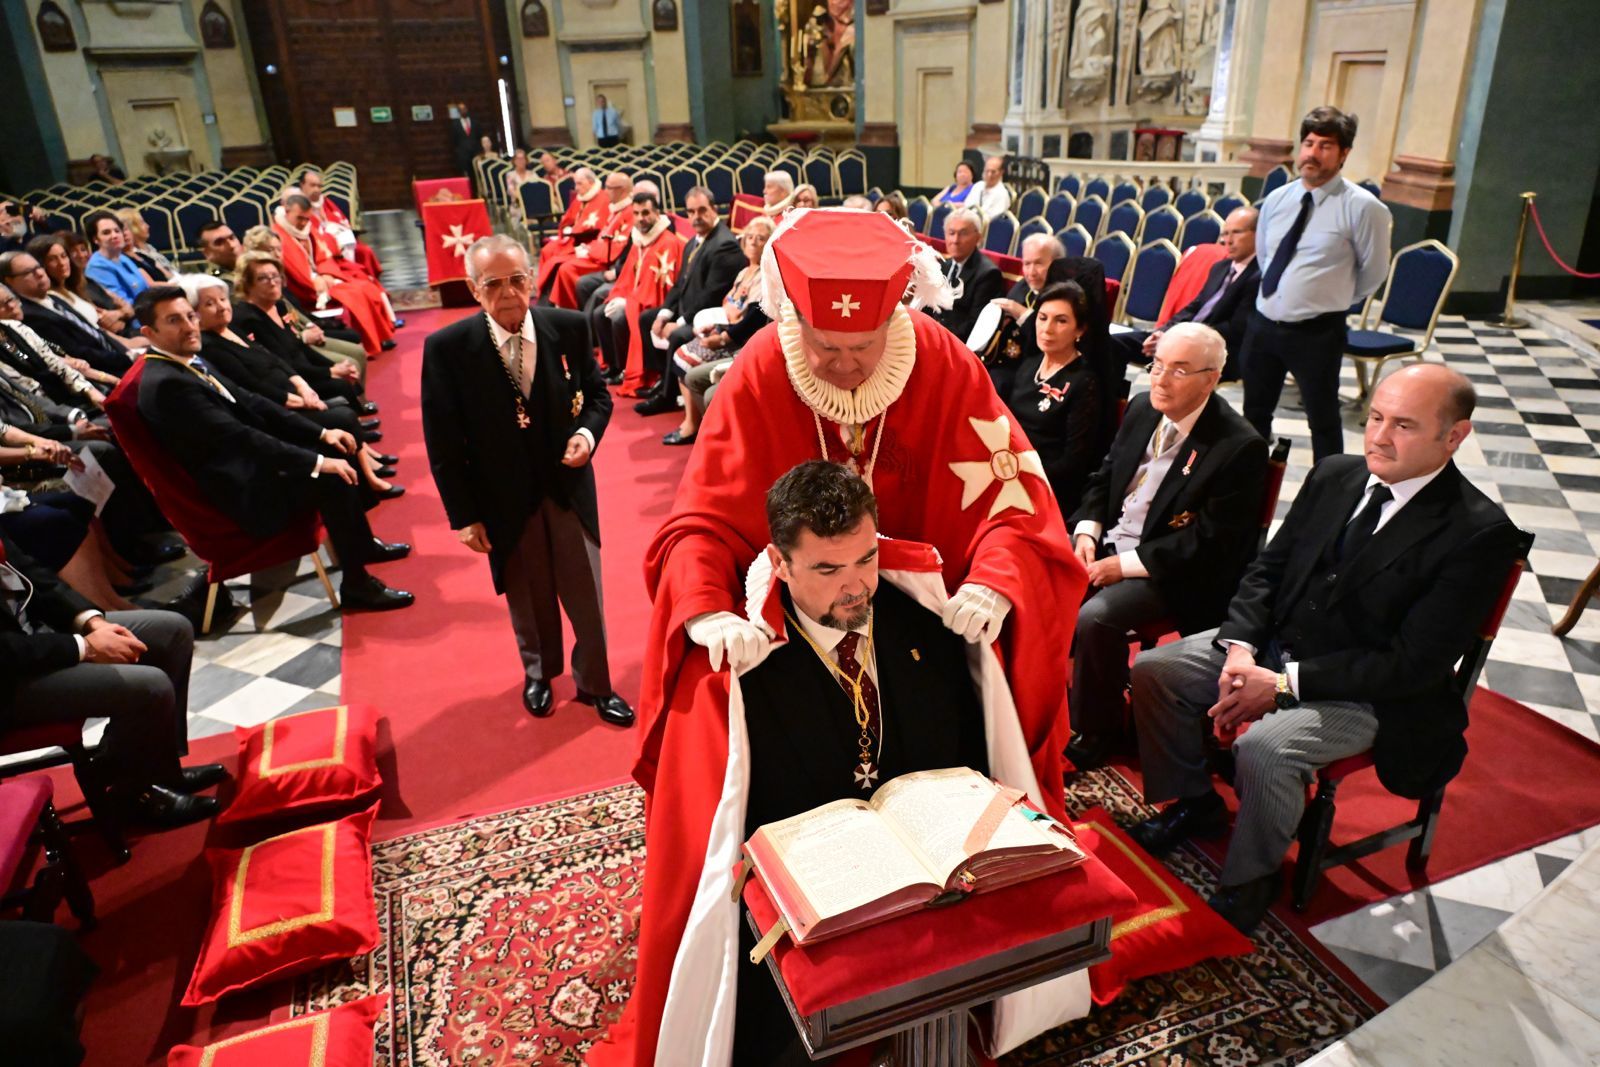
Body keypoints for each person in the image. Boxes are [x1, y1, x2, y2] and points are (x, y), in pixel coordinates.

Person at [598, 209, 1086, 1065]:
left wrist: (996, 579)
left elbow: (1014, 500)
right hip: (785, 624)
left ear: (900, 312)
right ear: (794, 315)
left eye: (863, 346)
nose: (845, 365)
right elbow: (700, 520)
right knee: (719, 748)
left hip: (920, 623)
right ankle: (739, 965)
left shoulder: (941, 362)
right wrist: (707, 607)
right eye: (826, 345)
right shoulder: (762, 369)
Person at [1127, 363, 1520, 935]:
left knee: (1265, 748)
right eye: (1376, 417)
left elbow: (1412, 664)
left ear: (1454, 436)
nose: (1379, 437)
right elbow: (1268, 570)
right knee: (1157, 670)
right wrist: (1240, 650)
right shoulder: (1336, 474)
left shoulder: (1478, 532)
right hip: (1274, 649)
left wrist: (1282, 685)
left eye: (1404, 425)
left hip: (1369, 693)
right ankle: (1195, 801)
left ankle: (1252, 878)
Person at [732, 463, 990, 1064]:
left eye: (866, 560)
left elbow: (965, 755)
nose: (855, 587)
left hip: (926, 869)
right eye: (828, 570)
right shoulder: (751, 667)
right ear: (781, 564)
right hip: (817, 886)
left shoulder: (922, 622)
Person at [420, 236, 632, 726]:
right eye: (493, 284)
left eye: (517, 280)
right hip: (503, 496)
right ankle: (539, 673)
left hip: (568, 487)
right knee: (527, 594)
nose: (508, 292)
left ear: (532, 280)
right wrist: (464, 516)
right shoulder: (449, 349)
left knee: (586, 593)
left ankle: (596, 683)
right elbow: (443, 442)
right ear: (474, 289)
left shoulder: (569, 327)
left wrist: (586, 435)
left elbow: (598, 396)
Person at [133, 285, 414, 612]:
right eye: (174, 320)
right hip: (237, 492)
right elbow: (240, 437)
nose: (189, 326)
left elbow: (251, 401)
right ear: (149, 332)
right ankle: (357, 586)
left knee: (335, 444)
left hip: (245, 465)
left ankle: (362, 548)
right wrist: (317, 462)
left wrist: (322, 433)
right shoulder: (168, 383)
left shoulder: (185, 361)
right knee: (331, 476)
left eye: (190, 316)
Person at [1064, 322, 1267, 769]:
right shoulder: (1142, 407)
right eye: (1157, 365)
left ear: (1211, 379)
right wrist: (1087, 531)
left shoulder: (1238, 446)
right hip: (1110, 541)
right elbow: (1104, 477)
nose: (1160, 379)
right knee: (1031, 565)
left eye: (1178, 370)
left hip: (1172, 571)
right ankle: (1030, 697)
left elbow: (1208, 542)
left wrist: (1123, 566)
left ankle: (1097, 729)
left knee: (1097, 617)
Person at [1, 529, 226, 828]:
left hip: (33, 637)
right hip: (10, 681)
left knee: (172, 632)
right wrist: (85, 647)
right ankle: (133, 796)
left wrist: (91, 623)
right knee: (150, 687)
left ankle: (157, 771)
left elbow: (33, 574)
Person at [1242, 106, 1390, 463]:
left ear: (1344, 154)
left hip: (1317, 332)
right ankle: (1248, 481)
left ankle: (1327, 486)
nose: (1313, 153)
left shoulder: (1363, 207)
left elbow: (1374, 271)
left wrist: (1330, 298)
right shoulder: (1277, 199)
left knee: (1322, 420)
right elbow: (1265, 256)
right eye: (1308, 143)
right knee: (1254, 414)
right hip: (1264, 324)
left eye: (1325, 146)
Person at [1111, 206, 1259, 380]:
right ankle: (1112, 396)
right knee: (1113, 344)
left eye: (1236, 232)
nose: (1228, 240)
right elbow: (1193, 307)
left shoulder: (1260, 276)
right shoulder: (1220, 267)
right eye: (1225, 234)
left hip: (1214, 351)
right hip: (1181, 338)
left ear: (1258, 234)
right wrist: (1163, 332)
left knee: (1171, 369)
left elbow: (1234, 328)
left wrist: (1178, 337)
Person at [991, 281, 1103, 510]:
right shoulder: (1029, 364)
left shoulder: (1084, 382)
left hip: (1044, 485)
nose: (1047, 329)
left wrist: (1020, 474)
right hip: (1005, 467)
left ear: (1080, 330)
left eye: (1061, 321)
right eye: (1042, 318)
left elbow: (1073, 462)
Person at [630, 187, 744, 408]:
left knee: (678, 335)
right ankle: (662, 379)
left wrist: (680, 322)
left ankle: (667, 396)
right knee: (647, 319)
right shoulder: (693, 242)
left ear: (714, 209)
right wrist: (664, 315)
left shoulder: (724, 244)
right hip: (689, 308)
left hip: (707, 316)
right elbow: (679, 285)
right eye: (691, 212)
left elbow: (711, 295)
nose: (696, 216)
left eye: (702, 210)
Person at [665, 216, 773, 446]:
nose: (753, 242)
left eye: (761, 238)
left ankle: (701, 427)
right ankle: (695, 422)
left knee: (686, 358)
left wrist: (723, 337)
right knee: (681, 353)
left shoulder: (767, 277)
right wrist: (715, 326)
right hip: (728, 329)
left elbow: (752, 320)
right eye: (750, 237)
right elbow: (728, 306)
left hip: (741, 341)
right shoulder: (744, 272)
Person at [275, 195, 396, 356]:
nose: (303, 223)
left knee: (366, 286)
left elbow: (323, 255)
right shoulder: (280, 234)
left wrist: (326, 273)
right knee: (354, 294)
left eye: (307, 218)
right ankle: (367, 345)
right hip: (305, 287)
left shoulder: (305, 229)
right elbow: (295, 269)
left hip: (322, 278)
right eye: (300, 218)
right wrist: (316, 279)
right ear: (287, 211)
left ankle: (380, 338)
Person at [232, 251, 369, 389]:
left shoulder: (279, 306)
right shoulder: (249, 319)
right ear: (247, 284)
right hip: (288, 381)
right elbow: (283, 363)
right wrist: (330, 371)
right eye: (262, 278)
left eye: (275, 276)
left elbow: (299, 346)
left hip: (302, 365)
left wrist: (333, 367)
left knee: (349, 364)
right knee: (342, 383)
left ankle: (360, 398)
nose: (273, 283)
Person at [591, 189, 684, 385]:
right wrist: (619, 295)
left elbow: (659, 287)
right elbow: (627, 277)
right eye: (636, 213)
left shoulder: (667, 242)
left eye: (646, 213)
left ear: (657, 213)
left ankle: (626, 368)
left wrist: (629, 302)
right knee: (599, 313)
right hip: (635, 296)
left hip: (653, 302)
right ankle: (614, 366)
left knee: (619, 318)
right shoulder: (640, 239)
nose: (641, 218)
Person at [16, 235, 137, 374]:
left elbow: (120, 310)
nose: (62, 263)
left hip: (117, 348)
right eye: (52, 259)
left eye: (63, 256)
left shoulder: (73, 288)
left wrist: (127, 350)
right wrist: (128, 353)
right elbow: (94, 335)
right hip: (105, 363)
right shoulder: (47, 302)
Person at [976, 232, 1062, 390]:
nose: (1031, 272)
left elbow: (1052, 344)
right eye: (1027, 264)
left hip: (1035, 370)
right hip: (1003, 362)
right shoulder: (1022, 286)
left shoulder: (1063, 296)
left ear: (1057, 263)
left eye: (1039, 263)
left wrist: (1023, 314)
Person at [546, 171, 634, 310]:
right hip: (598, 254)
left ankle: (572, 311)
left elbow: (617, 248)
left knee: (567, 269)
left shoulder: (630, 213)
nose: (605, 191)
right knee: (559, 261)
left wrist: (591, 251)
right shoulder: (616, 209)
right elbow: (603, 236)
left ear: (622, 190)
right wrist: (589, 248)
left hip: (607, 262)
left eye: (609, 188)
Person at [922, 207, 1003, 344]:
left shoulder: (988, 274)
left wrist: (938, 337)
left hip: (957, 343)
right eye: (951, 233)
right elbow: (927, 306)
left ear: (978, 238)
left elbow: (975, 324)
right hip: (933, 336)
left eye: (963, 234)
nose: (955, 240)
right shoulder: (942, 265)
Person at [289, 168, 383, 280]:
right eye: (312, 185)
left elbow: (342, 221)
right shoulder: (297, 208)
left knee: (365, 251)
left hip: (342, 244)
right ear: (302, 185)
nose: (317, 189)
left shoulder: (325, 202)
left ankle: (373, 284)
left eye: (319, 186)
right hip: (322, 252)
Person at [534, 168, 609, 297]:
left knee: (559, 262)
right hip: (572, 238)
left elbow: (598, 227)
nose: (576, 188)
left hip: (587, 242)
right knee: (546, 251)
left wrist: (575, 233)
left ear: (591, 182)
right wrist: (566, 229)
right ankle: (546, 293)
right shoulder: (581, 198)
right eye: (575, 184)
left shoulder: (603, 199)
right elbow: (568, 219)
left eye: (579, 184)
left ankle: (558, 297)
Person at [82, 210, 149, 311]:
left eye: (117, 231)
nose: (114, 236)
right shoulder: (97, 267)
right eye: (106, 233)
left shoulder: (122, 257)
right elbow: (124, 306)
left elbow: (145, 290)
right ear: (95, 239)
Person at [115, 209, 176, 282]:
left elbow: (170, 274)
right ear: (133, 229)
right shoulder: (133, 257)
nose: (148, 226)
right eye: (142, 223)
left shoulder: (149, 248)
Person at [977, 155, 1013, 222]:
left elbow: (992, 221)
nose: (989, 175)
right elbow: (966, 206)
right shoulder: (978, 186)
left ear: (1001, 172)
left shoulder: (1002, 195)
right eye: (987, 171)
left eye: (993, 172)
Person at [449, 102, 477, 178]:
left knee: (476, 175)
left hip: (475, 154)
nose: (463, 111)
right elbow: (454, 140)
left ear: (467, 109)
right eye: (460, 109)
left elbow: (479, 136)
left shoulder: (474, 122)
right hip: (463, 155)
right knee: (466, 175)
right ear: (458, 112)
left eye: (464, 109)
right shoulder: (455, 124)